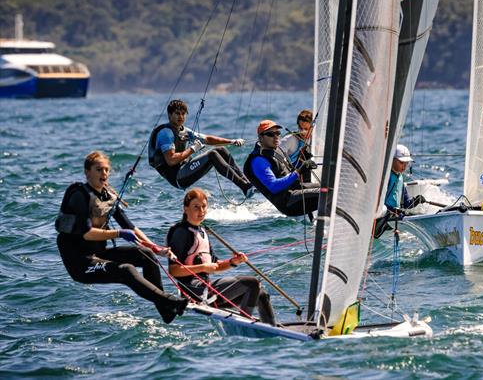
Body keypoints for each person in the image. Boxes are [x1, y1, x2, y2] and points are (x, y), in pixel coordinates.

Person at [55, 151, 188, 324]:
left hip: (99, 255)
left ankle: (166, 311)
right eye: (99, 169)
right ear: (87, 172)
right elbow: (87, 233)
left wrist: (156, 248)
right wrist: (118, 233)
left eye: (106, 170)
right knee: (126, 270)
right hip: (81, 264)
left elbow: (130, 227)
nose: (104, 173)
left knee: (145, 253)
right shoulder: (79, 195)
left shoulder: (107, 197)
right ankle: (170, 301)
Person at [167, 188, 276, 325]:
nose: (201, 211)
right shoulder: (181, 233)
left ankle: (273, 331)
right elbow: (174, 270)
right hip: (196, 292)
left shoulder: (202, 232)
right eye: (196, 207)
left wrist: (232, 262)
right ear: (185, 209)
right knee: (252, 283)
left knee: (261, 294)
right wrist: (203, 267)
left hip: (208, 289)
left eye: (204, 207)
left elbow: (215, 266)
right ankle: (244, 326)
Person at [148, 99, 253, 197]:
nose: (181, 117)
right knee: (212, 155)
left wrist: (231, 141)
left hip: (184, 168)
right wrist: (193, 149)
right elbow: (171, 160)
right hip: (177, 177)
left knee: (221, 150)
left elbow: (207, 139)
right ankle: (244, 187)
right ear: (170, 115)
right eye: (177, 113)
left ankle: (248, 184)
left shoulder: (184, 131)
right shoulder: (166, 133)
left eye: (183, 114)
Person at [243, 120, 320, 219]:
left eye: (278, 133)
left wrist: (302, 161)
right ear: (261, 137)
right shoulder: (259, 160)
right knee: (327, 192)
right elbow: (274, 186)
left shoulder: (275, 149)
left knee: (330, 186)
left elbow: (285, 170)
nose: (276, 137)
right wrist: (299, 171)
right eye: (270, 134)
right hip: (288, 202)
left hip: (297, 189)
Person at [281, 109, 314, 182]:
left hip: (309, 177)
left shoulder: (315, 141)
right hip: (290, 178)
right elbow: (277, 156)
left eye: (306, 129)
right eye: (300, 128)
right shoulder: (290, 139)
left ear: (313, 127)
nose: (302, 131)